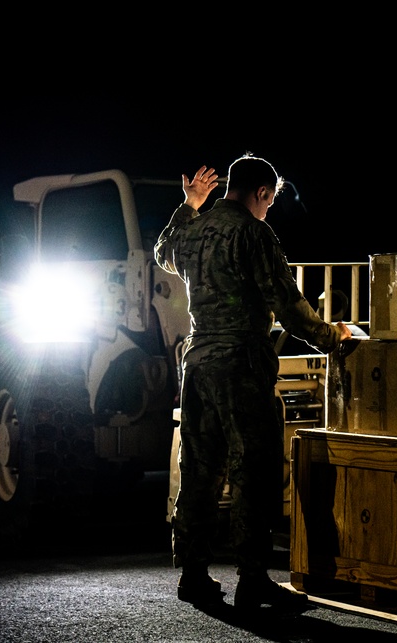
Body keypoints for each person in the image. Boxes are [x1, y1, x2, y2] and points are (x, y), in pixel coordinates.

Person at [154, 153, 353, 611]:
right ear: (262, 193)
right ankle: (252, 578)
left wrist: (190, 203)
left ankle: (193, 573)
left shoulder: (195, 228)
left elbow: (164, 253)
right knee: (253, 471)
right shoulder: (253, 232)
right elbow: (284, 300)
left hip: (198, 362)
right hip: (240, 362)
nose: (268, 210)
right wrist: (330, 337)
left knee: (200, 470)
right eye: (269, 201)